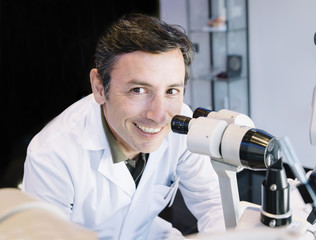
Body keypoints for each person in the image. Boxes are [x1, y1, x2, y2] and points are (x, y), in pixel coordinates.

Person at [22, 13, 225, 239]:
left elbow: (214, 204)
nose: (158, 116)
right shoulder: (52, 154)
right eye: (138, 90)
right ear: (99, 87)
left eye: (171, 91)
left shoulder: (181, 123)